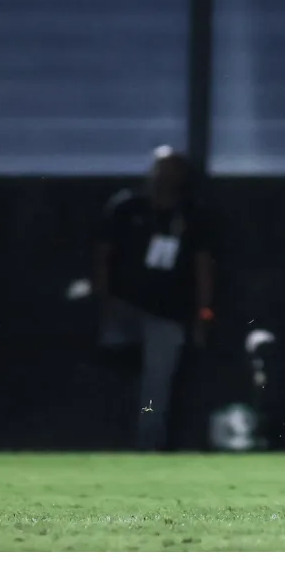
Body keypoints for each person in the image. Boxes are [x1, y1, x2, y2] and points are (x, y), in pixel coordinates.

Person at [94, 146, 215, 451]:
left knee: (156, 383)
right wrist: (103, 300)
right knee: (115, 375)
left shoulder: (190, 215)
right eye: (160, 167)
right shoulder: (127, 207)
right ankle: (104, 437)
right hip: (123, 307)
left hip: (167, 312)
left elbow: (203, 268)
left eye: (172, 169)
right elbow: (104, 256)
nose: (164, 175)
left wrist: (203, 314)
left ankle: (147, 443)